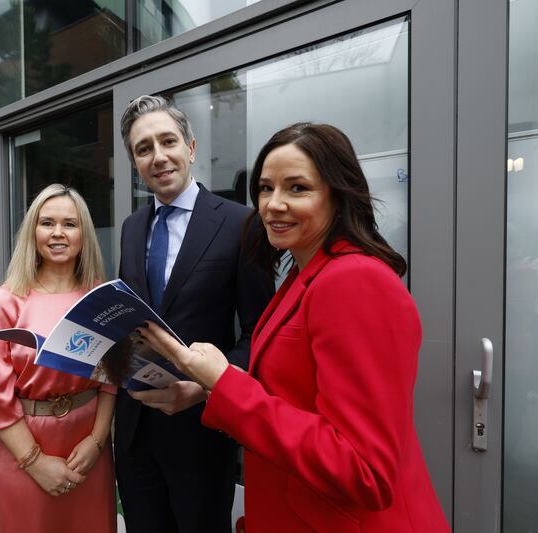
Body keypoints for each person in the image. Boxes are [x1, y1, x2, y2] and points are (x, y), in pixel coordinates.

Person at [137, 123, 451, 532]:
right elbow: (293, 394)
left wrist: (223, 381)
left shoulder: (354, 280)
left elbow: (362, 469)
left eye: (297, 188)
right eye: (266, 189)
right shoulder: (303, 276)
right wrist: (209, 385)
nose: (273, 204)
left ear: (338, 195)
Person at [116, 95, 275, 532]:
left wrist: (207, 388)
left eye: (167, 141)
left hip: (201, 432)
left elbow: (261, 331)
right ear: (134, 161)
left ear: (190, 147)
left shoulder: (242, 224)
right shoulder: (132, 229)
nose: (158, 156)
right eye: (143, 148)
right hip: (133, 432)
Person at [0, 184, 116, 533]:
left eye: (70, 223)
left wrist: (97, 442)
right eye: (46, 223)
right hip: (25, 449)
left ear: (83, 233)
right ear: (32, 232)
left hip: (88, 447)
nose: (58, 233)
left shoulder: (101, 296)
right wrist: (35, 463)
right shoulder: (4, 303)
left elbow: (112, 379)